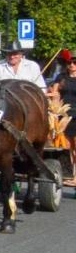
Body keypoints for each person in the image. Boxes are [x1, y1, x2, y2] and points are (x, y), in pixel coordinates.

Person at [49, 49, 76, 185]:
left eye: (75, 63)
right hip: (64, 115)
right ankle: (70, 173)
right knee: (67, 147)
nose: (72, 65)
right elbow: (55, 93)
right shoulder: (61, 77)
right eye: (69, 62)